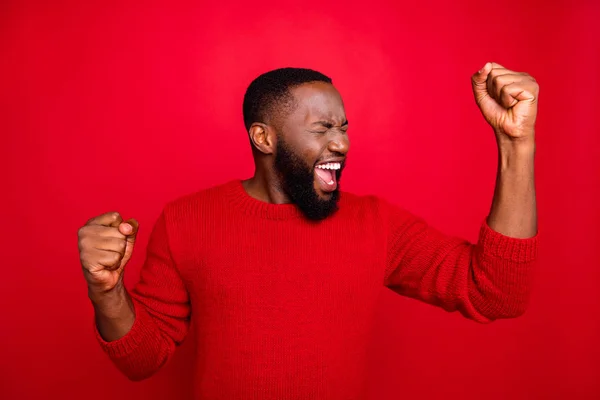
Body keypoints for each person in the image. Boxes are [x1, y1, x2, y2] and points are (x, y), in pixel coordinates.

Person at [77, 64, 539, 399]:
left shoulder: (375, 223)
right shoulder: (186, 220)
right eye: (322, 128)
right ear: (264, 138)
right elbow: (142, 362)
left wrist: (516, 145)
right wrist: (107, 292)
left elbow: (496, 293)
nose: (341, 142)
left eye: (343, 127)